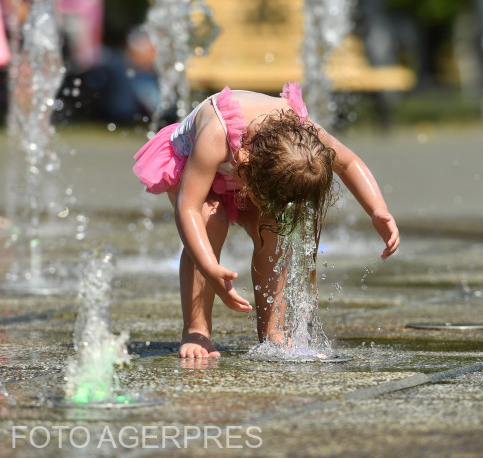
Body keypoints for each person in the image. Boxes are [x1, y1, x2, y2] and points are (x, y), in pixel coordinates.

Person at [132, 83, 399, 358]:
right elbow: (187, 208)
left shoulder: (304, 134)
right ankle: (196, 330)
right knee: (210, 220)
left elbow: (349, 162)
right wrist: (209, 265)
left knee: (275, 231)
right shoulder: (216, 135)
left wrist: (377, 209)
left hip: (245, 167)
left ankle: (273, 333)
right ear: (244, 165)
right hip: (191, 164)